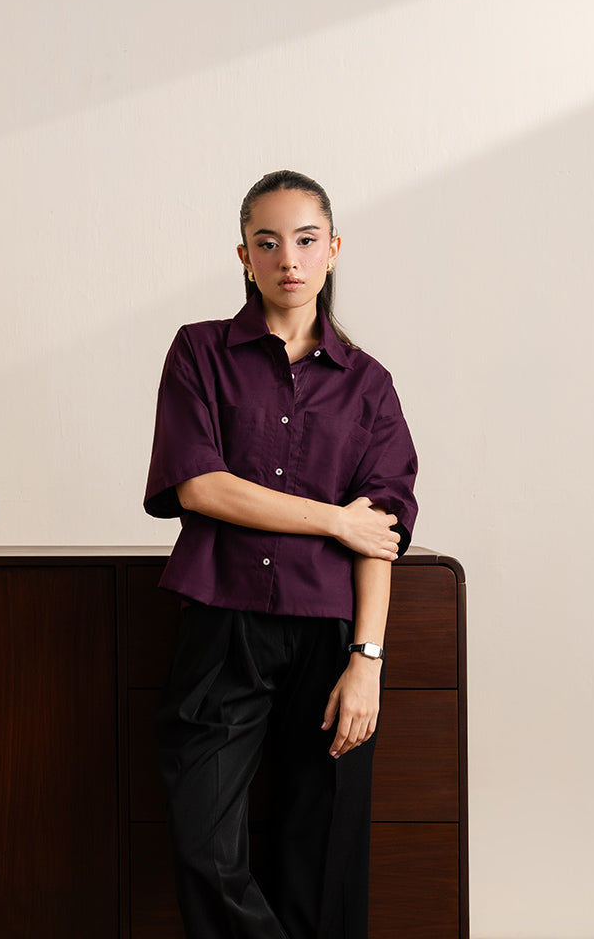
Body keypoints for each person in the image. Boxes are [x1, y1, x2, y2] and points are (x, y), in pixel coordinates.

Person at [144, 170, 417, 939]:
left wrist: (367, 662)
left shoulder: (370, 386)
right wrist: (334, 519)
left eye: (305, 240)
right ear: (244, 256)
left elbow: (380, 535)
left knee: (323, 861)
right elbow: (200, 486)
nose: (287, 259)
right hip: (223, 623)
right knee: (204, 841)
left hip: (330, 635)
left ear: (333, 249)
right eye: (267, 243)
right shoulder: (199, 353)